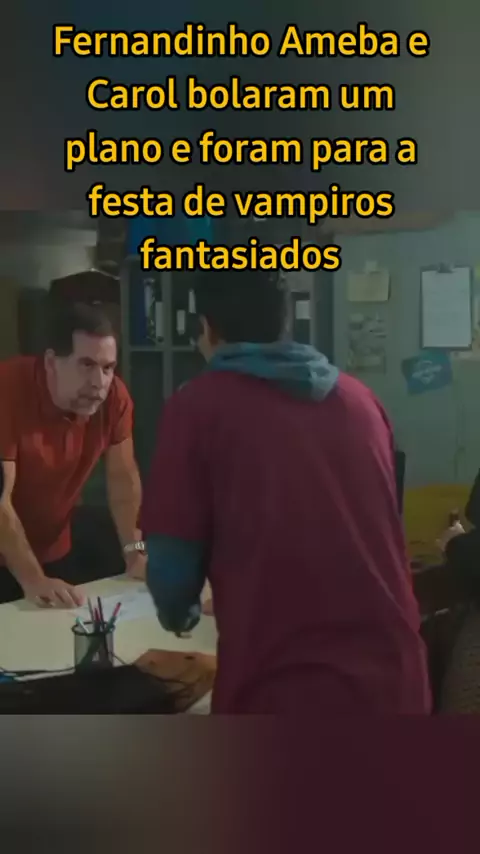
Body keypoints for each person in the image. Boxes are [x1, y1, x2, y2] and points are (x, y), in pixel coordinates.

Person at [142, 270, 430, 715]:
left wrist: (181, 615)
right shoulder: (362, 400)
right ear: (286, 323)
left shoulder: (199, 406)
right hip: (396, 679)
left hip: (286, 684)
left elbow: (172, 559)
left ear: (207, 328)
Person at [0, 301, 145, 608]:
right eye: (86, 365)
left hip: (53, 548)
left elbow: (123, 480)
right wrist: (33, 579)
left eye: (107, 368)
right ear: (51, 362)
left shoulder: (113, 397)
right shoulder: (7, 390)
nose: (99, 383)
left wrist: (135, 552)